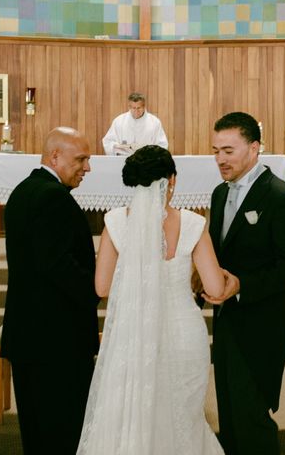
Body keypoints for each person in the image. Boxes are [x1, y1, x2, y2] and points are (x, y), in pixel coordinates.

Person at [77, 145, 228, 455]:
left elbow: (102, 287)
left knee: (134, 415)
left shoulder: (116, 222)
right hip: (185, 335)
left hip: (133, 336)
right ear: (171, 179)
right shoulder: (193, 224)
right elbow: (214, 287)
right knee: (184, 419)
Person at [202, 112, 285, 455]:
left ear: (254, 148)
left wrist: (241, 285)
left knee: (252, 412)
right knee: (230, 411)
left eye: (228, 151)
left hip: (262, 321)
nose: (220, 159)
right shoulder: (219, 194)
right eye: (216, 150)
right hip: (227, 320)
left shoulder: (282, 198)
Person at [1, 127, 99, 454]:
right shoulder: (53, 198)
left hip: (28, 336)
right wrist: (98, 288)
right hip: (57, 342)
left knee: (36, 434)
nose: (87, 168)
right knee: (62, 433)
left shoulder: (22, 191)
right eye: (81, 159)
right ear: (55, 157)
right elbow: (58, 266)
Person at [102, 92, 168, 155]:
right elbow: (108, 142)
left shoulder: (154, 122)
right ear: (129, 107)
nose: (136, 111)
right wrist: (118, 147)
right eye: (133, 108)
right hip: (124, 160)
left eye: (139, 108)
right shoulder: (119, 121)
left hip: (147, 161)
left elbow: (162, 145)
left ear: (144, 106)